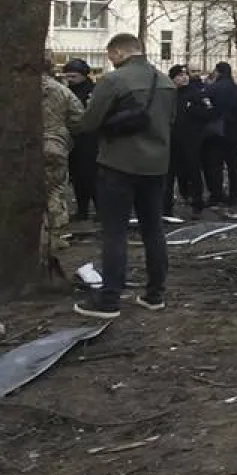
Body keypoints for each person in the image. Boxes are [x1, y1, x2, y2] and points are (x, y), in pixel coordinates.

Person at [73, 33, 176, 319]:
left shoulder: (114, 81)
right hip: (156, 166)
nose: (110, 61)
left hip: (118, 164)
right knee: (153, 230)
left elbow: (89, 122)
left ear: (119, 52)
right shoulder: (166, 82)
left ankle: (109, 300)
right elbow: (170, 121)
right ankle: (155, 294)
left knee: (114, 233)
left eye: (110, 56)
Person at [42, 52, 84, 256]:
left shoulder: (14, 89)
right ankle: (53, 237)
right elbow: (78, 118)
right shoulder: (62, 91)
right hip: (54, 145)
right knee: (54, 190)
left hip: (23, 147)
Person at [164, 64, 213, 220]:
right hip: (171, 140)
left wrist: (192, 110)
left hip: (190, 140)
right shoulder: (168, 94)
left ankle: (197, 204)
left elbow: (208, 113)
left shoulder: (195, 93)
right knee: (169, 175)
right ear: (173, 78)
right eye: (180, 75)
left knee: (193, 172)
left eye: (185, 74)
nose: (184, 77)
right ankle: (166, 207)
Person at [203, 62, 237, 212]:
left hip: (216, 133)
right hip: (234, 134)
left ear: (218, 72)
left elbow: (205, 109)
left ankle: (216, 194)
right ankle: (234, 196)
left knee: (215, 166)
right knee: (233, 166)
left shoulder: (212, 89)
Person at [61, 59, 97, 220]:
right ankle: (82, 210)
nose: (70, 79)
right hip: (73, 139)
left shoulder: (93, 91)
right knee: (77, 178)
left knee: (92, 177)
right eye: (67, 76)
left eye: (73, 76)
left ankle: (98, 210)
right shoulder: (66, 91)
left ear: (83, 75)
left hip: (90, 140)